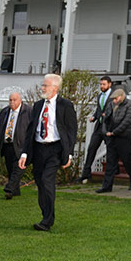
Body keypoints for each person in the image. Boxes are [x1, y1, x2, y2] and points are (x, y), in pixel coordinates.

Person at [19, 72, 78, 231]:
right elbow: (30, 130)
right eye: (43, 84)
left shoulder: (65, 105)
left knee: (47, 181)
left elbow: (72, 131)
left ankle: (47, 221)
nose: (42, 87)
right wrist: (24, 153)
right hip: (38, 149)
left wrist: (69, 154)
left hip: (55, 149)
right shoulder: (38, 105)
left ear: (55, 88)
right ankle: (46, 214)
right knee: (40, 183)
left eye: (45, 85)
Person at [96, 88, 131, 193]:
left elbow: (127, 121)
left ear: (121, 96)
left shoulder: (130, 105)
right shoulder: (111, 105)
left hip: (124, 138)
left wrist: (115, 132)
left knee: (127, 161)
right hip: (112, 137)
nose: (114, 100)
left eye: (116, 98)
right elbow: (105, 119)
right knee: (111, 162)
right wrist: (106, 131)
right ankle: (107, 186)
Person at [0, 91, 32, 198]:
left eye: (14, 100)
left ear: (20, 100)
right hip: (7, 144)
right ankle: (15, 191)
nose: (12, 102)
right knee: (10, 168)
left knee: (19, 167)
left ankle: (9, 188)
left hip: (21, 145)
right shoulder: (5, 112)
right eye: (10, 100)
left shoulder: (28, 111)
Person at [79, 75, 115, 183]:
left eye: (104, 84)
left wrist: (108, 116)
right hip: (99, 127)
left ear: (110, 84)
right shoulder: (100, 96)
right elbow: (99, 109)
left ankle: (111, 174)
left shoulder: (114, 96)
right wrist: (94, 117)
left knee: (110, 151)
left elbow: (116, 111)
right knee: (91, 148)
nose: (102, 86)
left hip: (108, 127)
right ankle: (86, 174)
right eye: (100, 84)